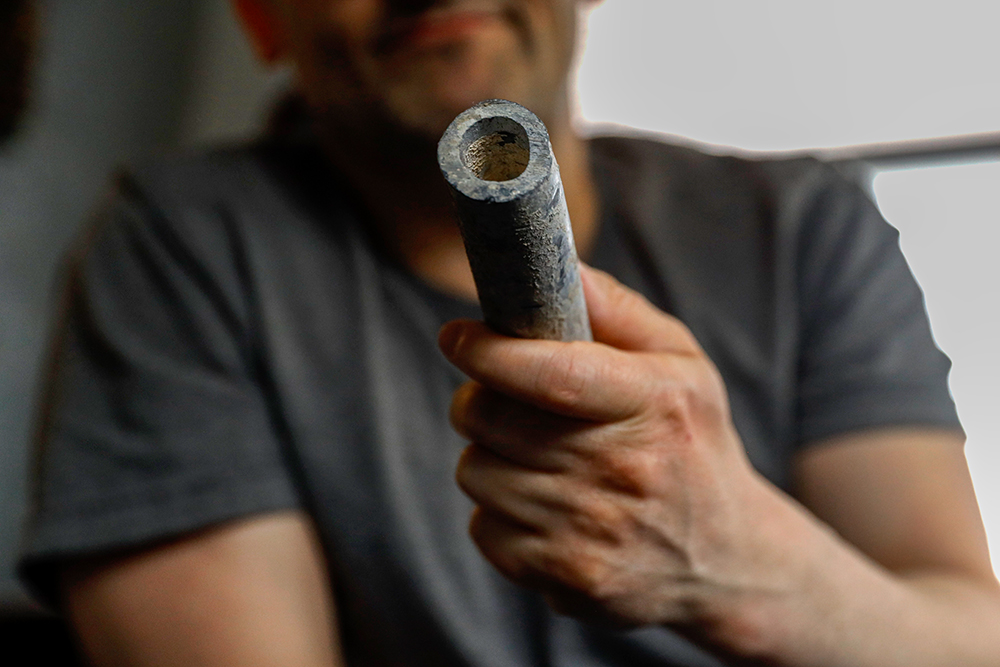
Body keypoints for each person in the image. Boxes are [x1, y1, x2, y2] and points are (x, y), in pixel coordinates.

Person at [17, 0, 1000, 665]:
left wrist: (749, 567)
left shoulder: (796, 226)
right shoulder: (185, 243)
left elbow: (966, 636)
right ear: (261, 18)